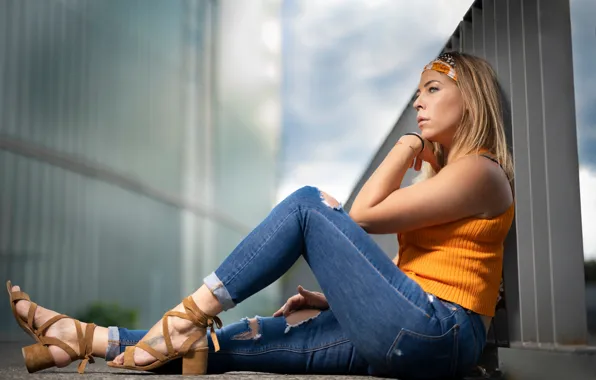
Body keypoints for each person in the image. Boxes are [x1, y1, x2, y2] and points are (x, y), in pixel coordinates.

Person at [6, 51, 514, 380]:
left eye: (431, 90)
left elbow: (363, 212)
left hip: (438, 331)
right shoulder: (454, 179)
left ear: (470, 100)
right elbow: (420, 269)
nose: (417, 103)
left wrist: (407, 144)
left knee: (307, 204)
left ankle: (188, 313)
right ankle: (84, 340)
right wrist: (341, 297)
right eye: (418, 92)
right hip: (416, 330)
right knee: (233, 342)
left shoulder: (481, 171)